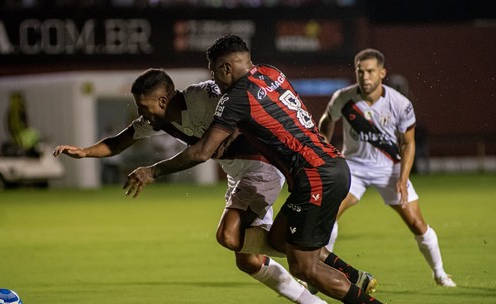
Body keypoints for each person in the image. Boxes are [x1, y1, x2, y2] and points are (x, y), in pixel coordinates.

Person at [123, 35, 382, 304]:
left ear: (225, 68)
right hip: (330, 166)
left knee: (305, 268)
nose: (214, 81)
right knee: (281, 241)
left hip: (314, 176)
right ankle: (351, 273)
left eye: (214, 72)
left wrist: (152, 172)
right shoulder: (272, 73)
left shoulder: (234, 97)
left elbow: (202, 151)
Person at [54, 68, 334, 303]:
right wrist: (84, 152)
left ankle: (313, 252)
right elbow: (119, 142)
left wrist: (153, 171)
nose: (141, 114)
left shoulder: (205, 95)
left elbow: (238, 106)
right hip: (239, 173)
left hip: (261, 165)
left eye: (144, 107)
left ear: (163, 100)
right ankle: (312, 289)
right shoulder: (158, 121)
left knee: (227, 234)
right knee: (248, 260)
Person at [318, 48, 456, 287]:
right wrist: (322, 152)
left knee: (416, 223)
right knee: (328, 216)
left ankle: (440, 274)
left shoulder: (400, 104)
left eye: (370, 71)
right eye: (360, 72)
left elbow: (408, 144)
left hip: (389, 170)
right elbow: (327, 120)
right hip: (354, 168)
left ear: (382, 72)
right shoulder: (343, 97)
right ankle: (319, 274)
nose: (365, 77)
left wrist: (402, 178)